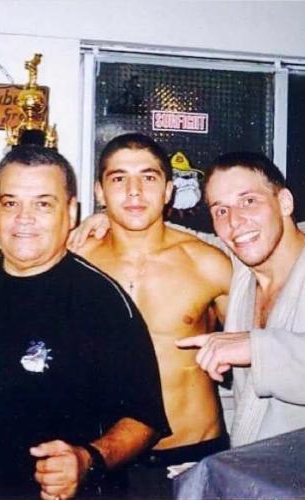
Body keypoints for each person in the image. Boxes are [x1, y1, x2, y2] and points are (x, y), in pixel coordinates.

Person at [0, 145, 170, 498]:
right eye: (10, 203)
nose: (24, 218)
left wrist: (87, 460)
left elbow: (145, 420)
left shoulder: (102, 302)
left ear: (71, 212)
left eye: (43, 204)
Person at [68, 133, 233, 497]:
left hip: (193, 457)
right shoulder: (75, 262)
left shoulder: (208, 263)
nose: (134, 191)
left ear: (168, 190)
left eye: (148, 177)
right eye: (119, 178)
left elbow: (260, 338)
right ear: (99, 192)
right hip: (105, 457)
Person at [177, 152, 305, 446]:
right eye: (221, 210)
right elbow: (190, 240)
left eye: (249, 201)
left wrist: (255, 347)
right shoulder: (241, 268)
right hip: (252, 467)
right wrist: (111, 220)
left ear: (285, 203)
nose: (234, 221)